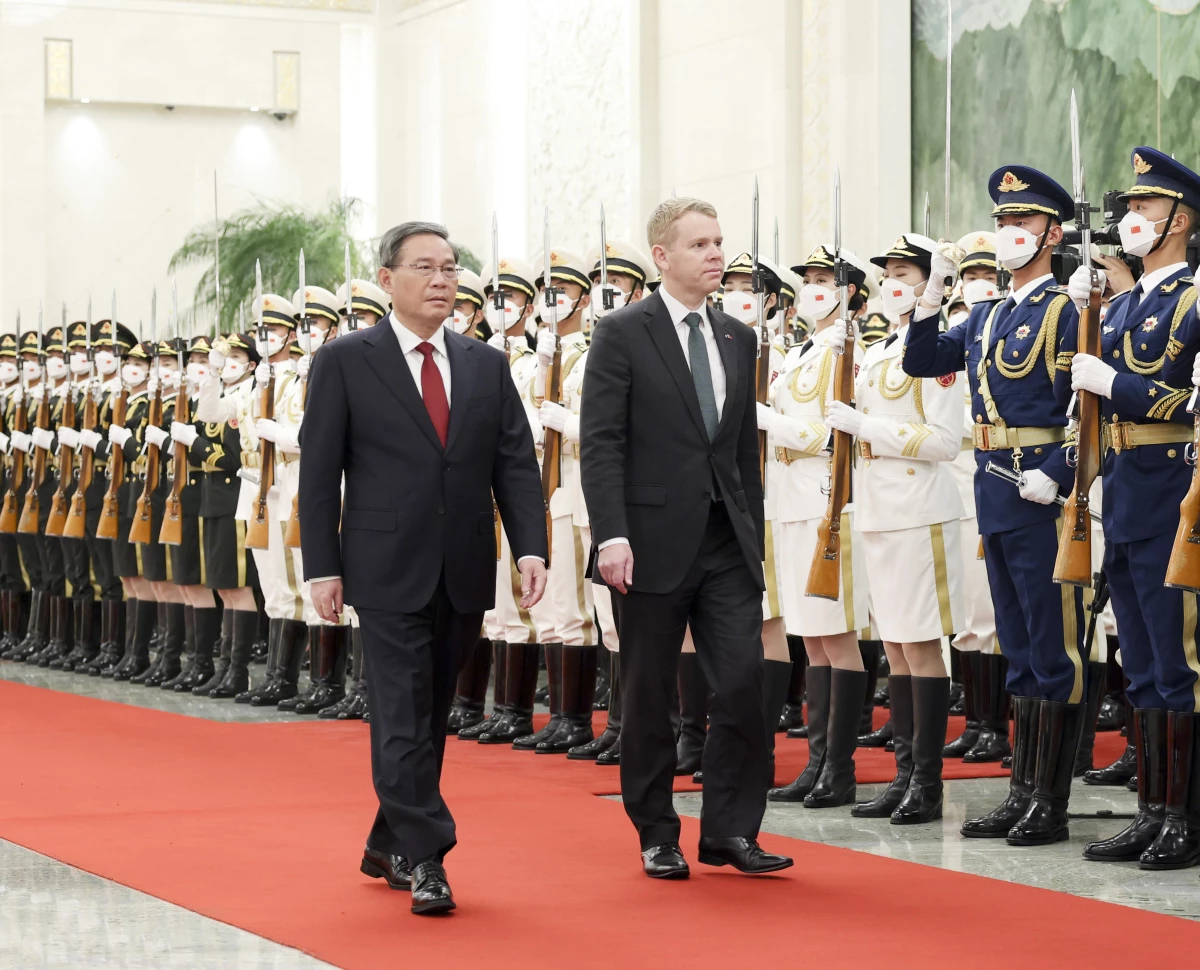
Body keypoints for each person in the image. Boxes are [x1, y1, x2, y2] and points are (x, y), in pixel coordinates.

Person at [300, 220, 549, 916]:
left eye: (450, 268)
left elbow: (514, 463)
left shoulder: (484, 363)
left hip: (463, 564)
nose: (442, 280)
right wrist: (322, 566)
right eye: (424, 268)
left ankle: (389, 842)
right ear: (387, 280)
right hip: (383, 566)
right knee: (401, 710)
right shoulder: (345, 361)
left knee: (429, 712)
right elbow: (319, 474)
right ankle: (427, 855)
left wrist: (530, 546)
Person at [580, 197, 793, 879]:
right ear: (662, 256)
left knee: (743, 683)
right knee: (649, 694)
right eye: (699, 244)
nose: (715, 254)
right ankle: (657, 831)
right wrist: (611, 534)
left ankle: (730, 830)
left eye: (718, 241)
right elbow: (602, 443)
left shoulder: (737, 337)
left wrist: (754, 536)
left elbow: (740, 450)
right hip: (646, 542)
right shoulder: (622, 332)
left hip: (726, 540)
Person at [902, 165, 1086, 847]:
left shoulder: (1067, 309)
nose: (1009, 231)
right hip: (993, 485)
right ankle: (1022, 792)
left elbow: (1085, 409)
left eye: (1021, 221)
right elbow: (921, 360)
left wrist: (1059, 473)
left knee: (1051, 645)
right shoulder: (987, 314)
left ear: (1052, 234)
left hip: (1039, 489)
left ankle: (1050, 803)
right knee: (1018, 645)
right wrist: (934, 290)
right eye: (1002, 221)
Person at [1083, 147, 1200, 869]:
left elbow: (1189, 404)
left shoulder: (1195, 299)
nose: (1130, 217)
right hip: (1124, 490)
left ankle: (1184, 817)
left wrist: (1115, 385)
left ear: (1178, 220)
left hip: (1172, 494)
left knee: (1178, 659)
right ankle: (1152, 810)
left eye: (1143, 207)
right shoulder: (1122, 305)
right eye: (1128, 206)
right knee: (1142, 661)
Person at [827, 232, 965, 824]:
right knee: (896, 648)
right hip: (879, 509)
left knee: (921, 644)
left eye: (905, 273)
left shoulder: (941, 350)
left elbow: (945, 441)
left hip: (918, 509)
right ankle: (904, 774)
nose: (892, 283)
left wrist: (868, 429)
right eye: (887, 274)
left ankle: (927, 784)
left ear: (932, 285)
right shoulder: (881, 349)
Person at [763, 243, 874, 808]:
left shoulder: (847, 352)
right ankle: (817, 762)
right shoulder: (802, 352)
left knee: (836, 633)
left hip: (828, 500)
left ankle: (840, 768)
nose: (811, 289)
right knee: (811, 636)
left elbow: (834, 436)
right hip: (790, 499)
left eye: (823, 280)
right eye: (807, 280)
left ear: (848, 291)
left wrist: (771, 423)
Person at [941, 232, 1011, 764]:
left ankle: (995, 725)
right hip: (955, 478)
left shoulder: (1004, 328)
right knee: (967, 611)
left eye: (988, 275)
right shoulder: (956, 333)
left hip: (990, 466)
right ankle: (977, 721)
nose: (978, 283)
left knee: (989, 608)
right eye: (969, 275)